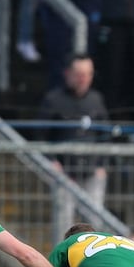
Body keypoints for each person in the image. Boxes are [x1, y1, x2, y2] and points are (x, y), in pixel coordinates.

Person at [39, 55, 110, 232]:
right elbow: (41, 135)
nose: (83, 79)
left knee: (94, 219)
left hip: (92, 170)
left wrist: (102, 165)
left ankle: (92, 256)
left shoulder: (96, 99)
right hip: (64, 172)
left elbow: (105, 134)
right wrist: (52, 160)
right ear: (67, 74)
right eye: (79, 74)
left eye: (88, 74)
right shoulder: (53, 100)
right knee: (64, 221)